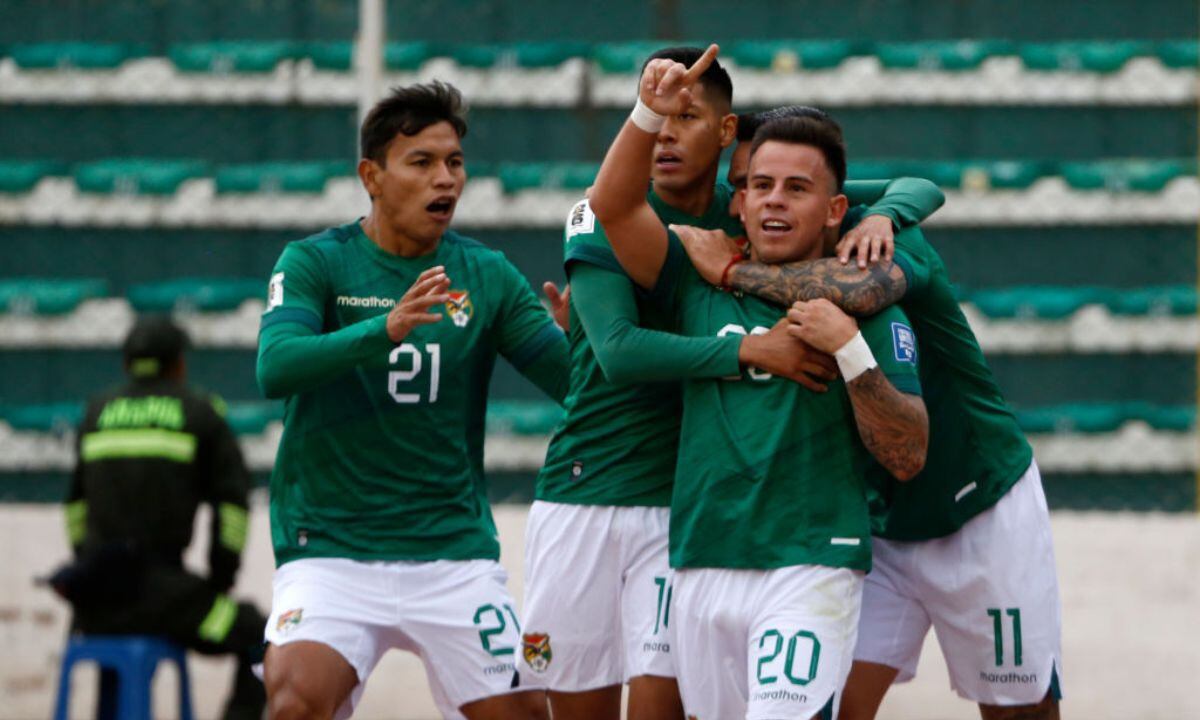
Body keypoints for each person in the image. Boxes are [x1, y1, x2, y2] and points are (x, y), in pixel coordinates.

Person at [521, 46, 945, 719]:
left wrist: (885, 216)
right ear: (742, 200)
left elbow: (914, 187)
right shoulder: (682, 256)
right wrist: (753, 348)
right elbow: (618, 336)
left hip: (763, 540)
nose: (772, 199)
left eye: (687, 117)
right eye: (761, 188)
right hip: (635, 509)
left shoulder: (814, 261)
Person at [674, 116, 1063, 720]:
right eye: (749, 185)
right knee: (835, 707)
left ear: (835, 203)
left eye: (787, 185)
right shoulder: (765, 235)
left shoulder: (885, 242)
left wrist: (730, 270)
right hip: (872, 527)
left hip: (977, 504)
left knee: (1018, 708)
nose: (751, 200)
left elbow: (859, 289)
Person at [256, 81, 567, 720]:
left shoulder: (485, 275)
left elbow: (575, 387)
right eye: (421, 163)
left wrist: (585, 344)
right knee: (293, 703)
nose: (444, 179)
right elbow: (276, 366)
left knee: (527, 713)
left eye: (454, 162)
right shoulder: (317, 262)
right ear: (372, 175)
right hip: (330, 548)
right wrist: (386, 328)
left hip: (452, 553)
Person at [56, 314, 266, 720]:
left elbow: (75, 509)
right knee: (261, 636)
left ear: (126, 363)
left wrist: (91, 565)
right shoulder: (199, 413)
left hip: (97, 604)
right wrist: (219, 579)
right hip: (169, 602)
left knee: (117, 663)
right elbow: (233, 507)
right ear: (178, 364)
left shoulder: (96, 413)